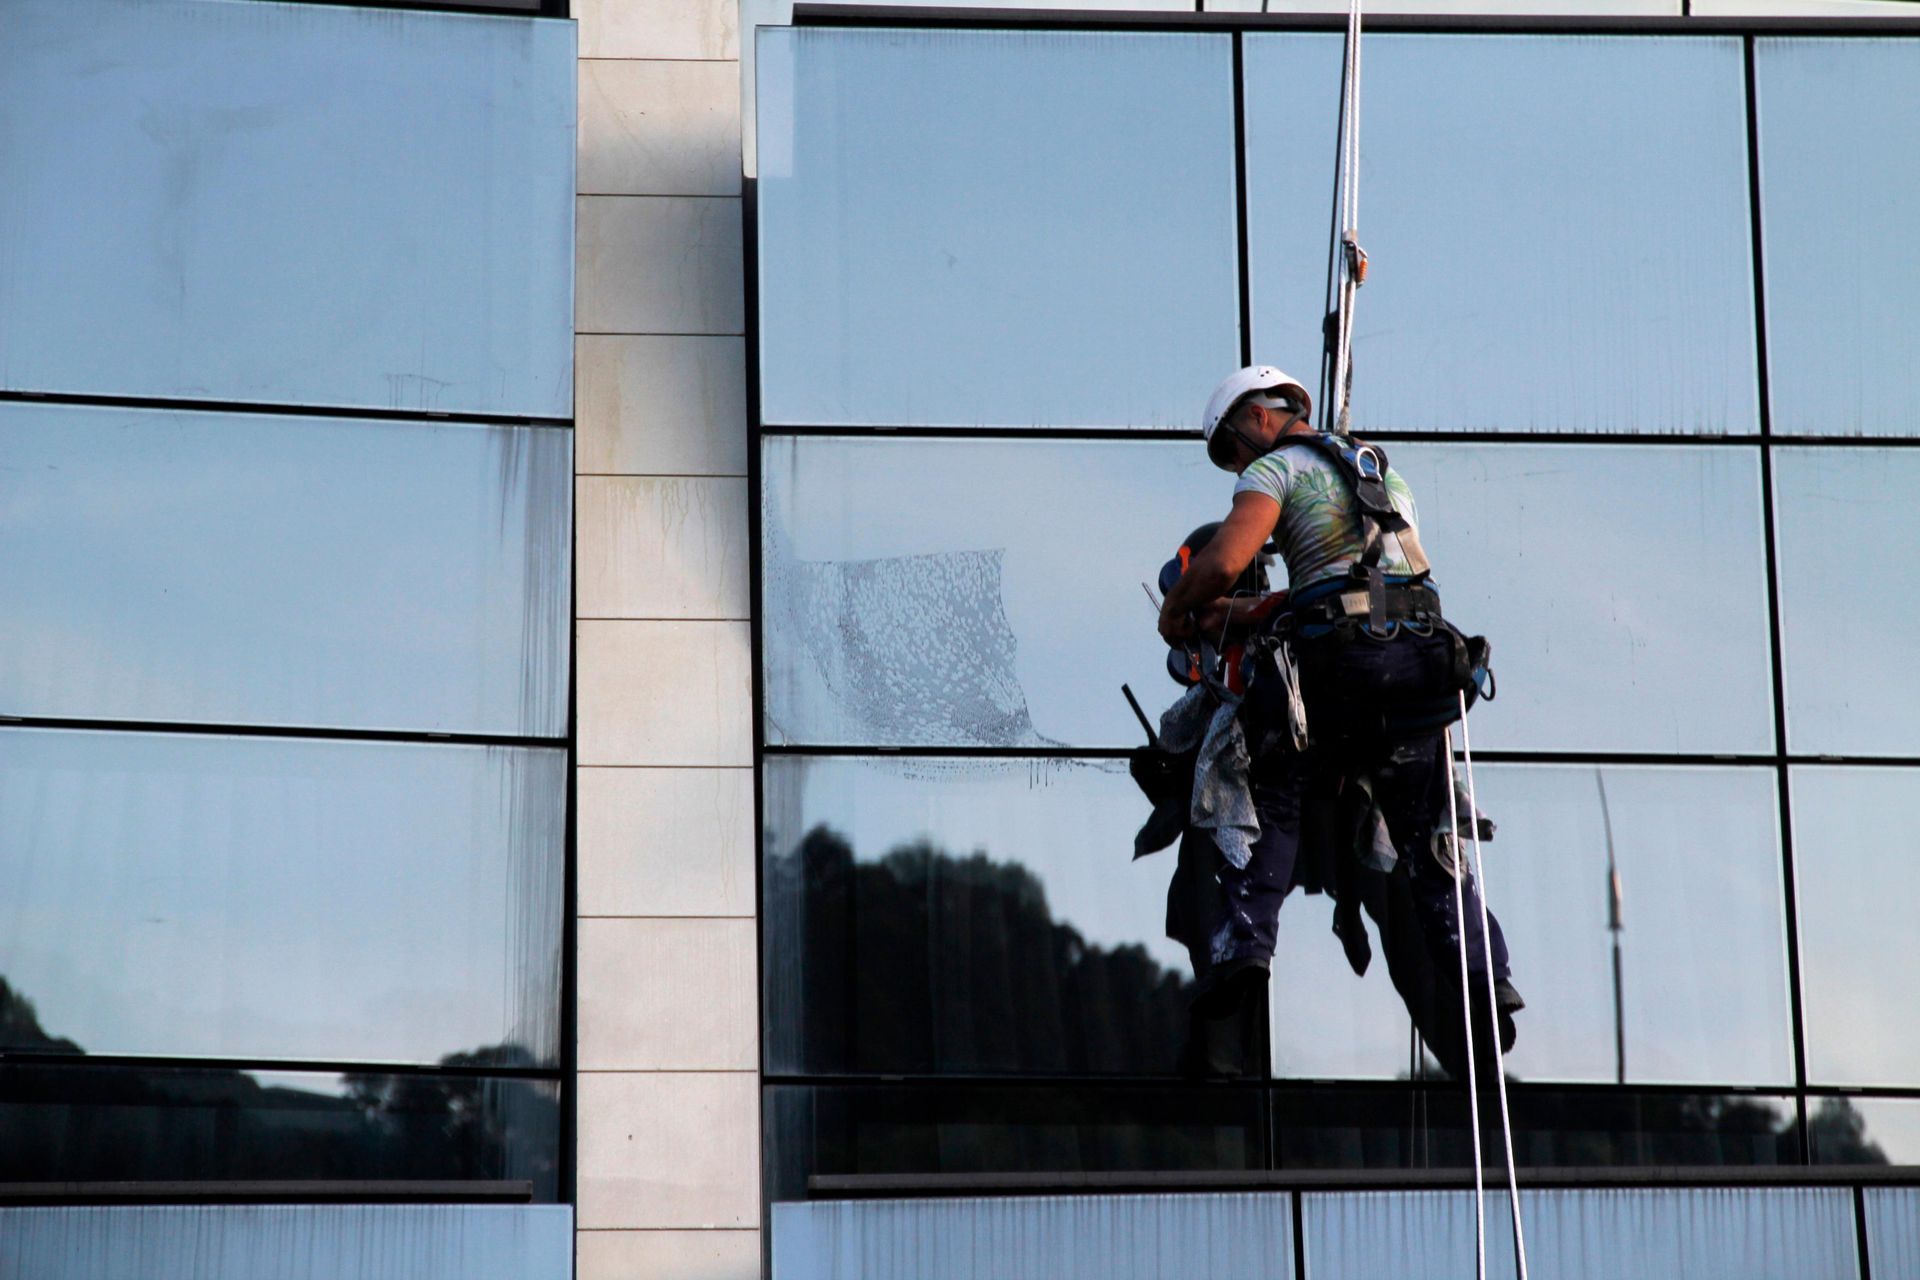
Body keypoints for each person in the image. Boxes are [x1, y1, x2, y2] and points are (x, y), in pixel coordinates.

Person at [1155, 364, 1521, 1080]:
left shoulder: (1277, 469)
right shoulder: (1380, 475)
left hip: (1345, 670)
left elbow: (1226, 562)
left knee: (1269, 786)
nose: (1235, 464)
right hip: (1422, 664)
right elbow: (1347, 581)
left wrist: (1180, 613)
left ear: (1259, 416)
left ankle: (1242, 955)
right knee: (1426, 839)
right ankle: (1489, 976)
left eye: (1230, 447)